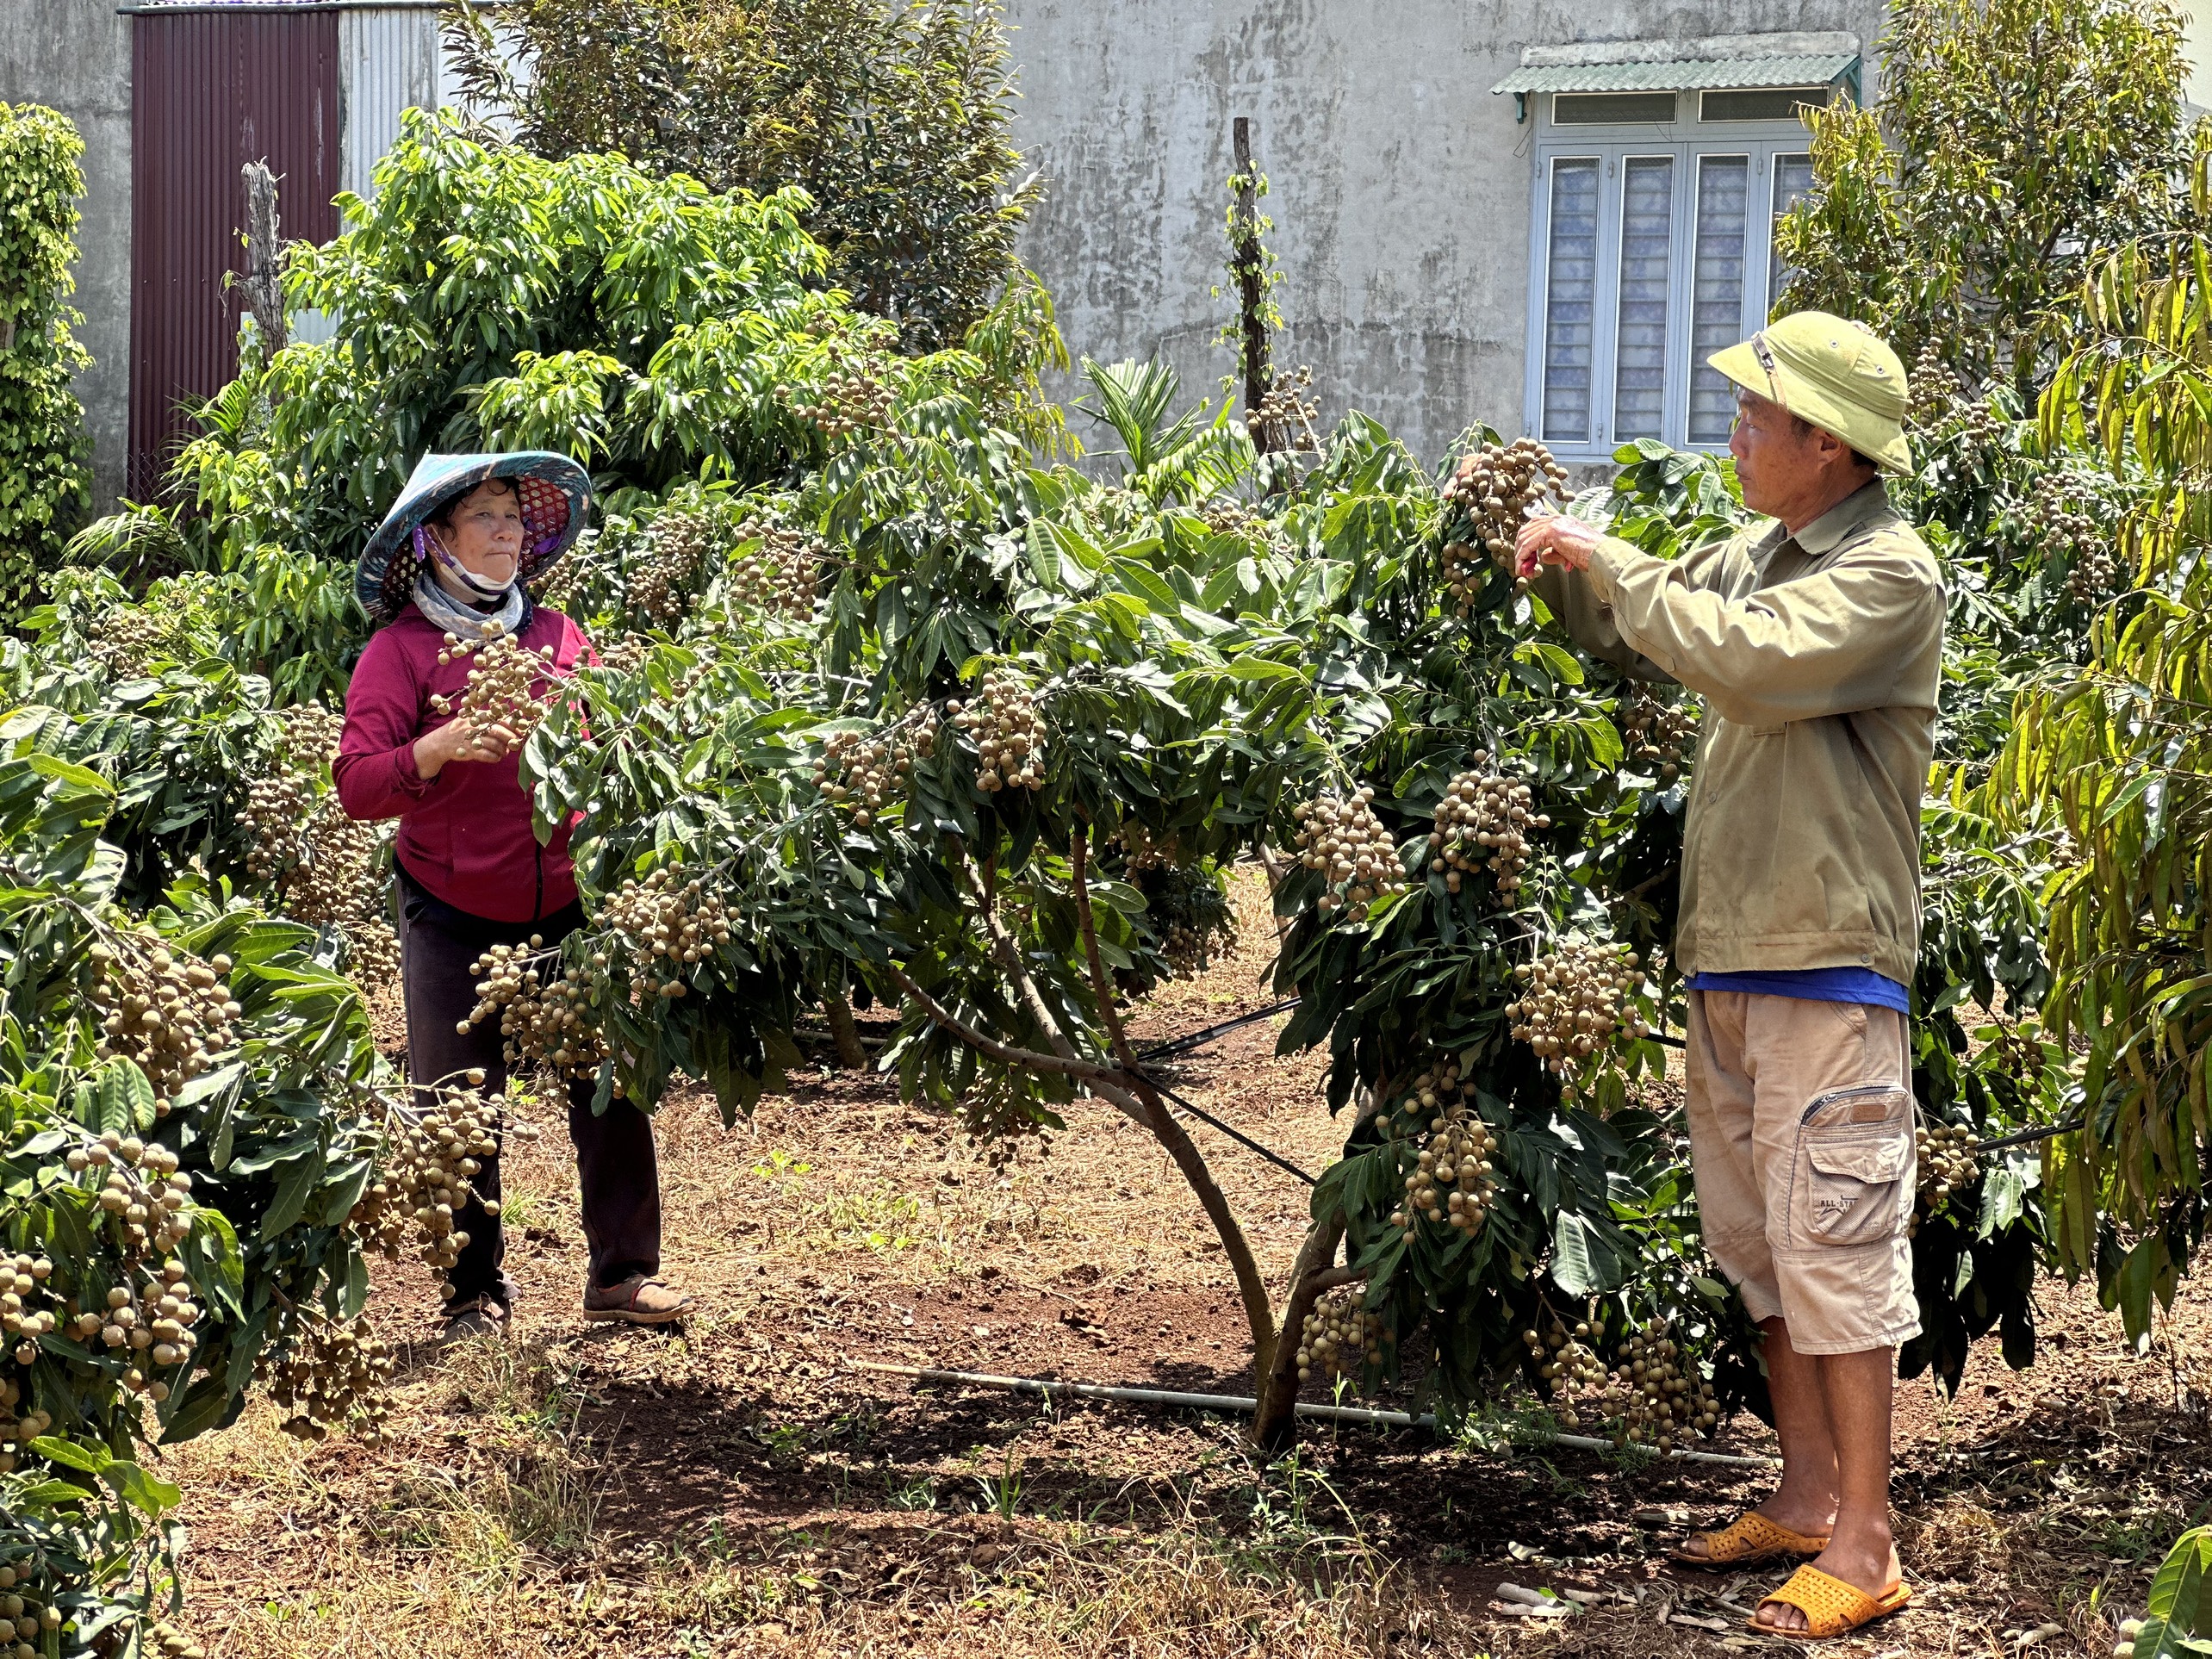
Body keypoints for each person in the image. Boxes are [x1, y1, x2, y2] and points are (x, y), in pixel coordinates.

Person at [1499, 313, 1940, 1640]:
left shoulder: (1889, 575)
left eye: (1759, 416)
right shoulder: (1758, 549)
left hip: (1826, 969)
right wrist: (1546, 556)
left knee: (1840, 1252)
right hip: (1733, 955)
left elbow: (1741, 662)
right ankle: (1805, 1499)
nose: (1738, 434)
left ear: (1828, 444)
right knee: (1764, 1253)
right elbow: (1637, 614)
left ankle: (1866, 1542)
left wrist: (1615, 559)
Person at [336, 452, 692, 1341]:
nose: (507, 534)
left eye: (513, 518)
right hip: (451, 910)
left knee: (609, 1095)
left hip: (568, 907)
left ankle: (622, 1275)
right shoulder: (402, 652)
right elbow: (357, 783)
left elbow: (612, 742)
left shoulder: (561, 635)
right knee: (461, 1108)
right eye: (485, 518)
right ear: (436, 542)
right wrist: (439, 745)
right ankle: (471, 1296)